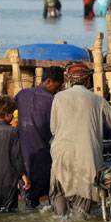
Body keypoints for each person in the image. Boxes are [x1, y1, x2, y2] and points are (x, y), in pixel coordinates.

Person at [50, 63, 111, 219]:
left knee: (60, 191)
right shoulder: (97, 100)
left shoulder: (58, 98)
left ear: (69, 80)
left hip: (61, 153)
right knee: (83, 201)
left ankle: (61, 221)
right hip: (87, 156)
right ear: (88, 81)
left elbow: (53, 129)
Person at [15, 67, 65, 209]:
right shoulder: (53, 102)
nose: (58, 89)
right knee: (44, 193)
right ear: (48, 81)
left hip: (23, 154)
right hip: (43, 154)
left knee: (27, 193)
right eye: (57, 85)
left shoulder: (22, 94)